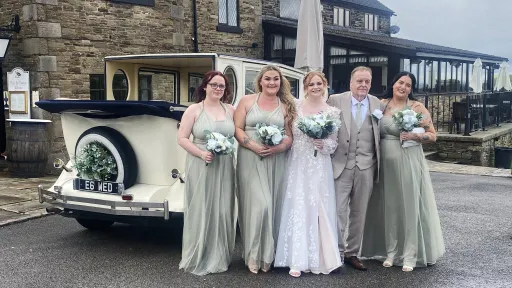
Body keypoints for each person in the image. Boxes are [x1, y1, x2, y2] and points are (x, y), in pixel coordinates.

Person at [361, 71, 445, 272]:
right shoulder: (381, 105)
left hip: (408, 160)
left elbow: (433, 135)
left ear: (411, 89)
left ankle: (410, 253)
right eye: (400, 82)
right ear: (393, 83)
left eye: (408, 85)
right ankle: (391, 251)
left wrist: (416, 137)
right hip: (383, 164)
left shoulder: (416, 108)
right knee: (388, 206)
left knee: (408, 205)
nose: (403, 87)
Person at [274, 71, 342, 277]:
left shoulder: (332, 112)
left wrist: (324, 143)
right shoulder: (295, 107)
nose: (315, 87)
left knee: (319, 206)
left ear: (324, 85)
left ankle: (322, 257)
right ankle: (297, 258)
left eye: (318, 83)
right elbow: (288, 132)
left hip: (320, 164)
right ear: (305, 86)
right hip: (298, 163)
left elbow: (334, 142)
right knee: (298, 205)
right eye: (311, 84)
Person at [234, 65, 296, 274]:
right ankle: (253, 254)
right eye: (268, 79)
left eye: (276, 79)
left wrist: (278, 147)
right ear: (260, 81)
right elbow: (237, 128)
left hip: (275, 160)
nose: (272, 83)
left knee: (273, 206)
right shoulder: (247, 101)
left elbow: (289, 136)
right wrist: (252, 145)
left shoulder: (286, 105)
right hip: (250, 158)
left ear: (281, 82)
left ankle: (268, 255)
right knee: (258, 206)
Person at [177, 71, 236, 276]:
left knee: (222, 209)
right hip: (201, 163)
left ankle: (218, 255)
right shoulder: (194, 110)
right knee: (201, 207)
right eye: (214, 85)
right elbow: (182, 138)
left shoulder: (230, 109)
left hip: (225, 164)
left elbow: (241, 133)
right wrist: (202, 153)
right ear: (205, 86)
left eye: (222, 86)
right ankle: (200, 254)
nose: (218, 89)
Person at [326, 66, 382, 271]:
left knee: (360, 213)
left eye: (367, 81)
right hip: (341, 164)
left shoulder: (377, 104)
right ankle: (337, 253)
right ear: (351, 82)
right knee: (338, 211)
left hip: (366, 165)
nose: (363, 85)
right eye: (359, 81)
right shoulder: (335, 100)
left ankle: (352, 253)